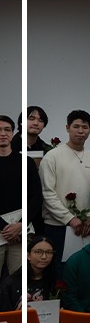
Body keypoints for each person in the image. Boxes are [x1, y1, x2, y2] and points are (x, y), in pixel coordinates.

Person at [39, 110, 90, 273]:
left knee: (84, 270)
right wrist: (70, 219)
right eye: (76, 126)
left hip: (86, 226)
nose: (80, 131)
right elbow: (47, 193)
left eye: (85, 127)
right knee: (59, 271)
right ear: (67, 128)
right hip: (57, 226)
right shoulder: (52, 157)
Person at [1, 236, 57, 311]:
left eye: (49, 252)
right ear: (28, 255)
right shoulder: (11, 283)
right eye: (38, 252)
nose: (44, 257)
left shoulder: (55, 282)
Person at [0, 115, 23, 276]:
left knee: (18, 284)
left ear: (13, 132)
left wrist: (19, 225)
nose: (3, 133)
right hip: (4, 230)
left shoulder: (26, 162)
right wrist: (6, 228)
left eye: (7, 129)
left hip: (20, 232)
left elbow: (35, 196)